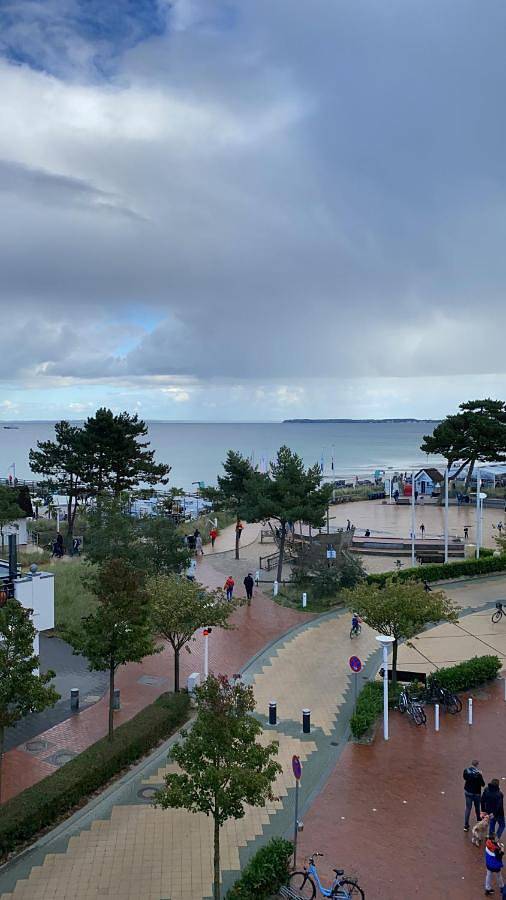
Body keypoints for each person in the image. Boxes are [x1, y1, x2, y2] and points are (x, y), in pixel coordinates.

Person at [464, 759, 486, 832]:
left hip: (468, 791)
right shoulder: (478, 774)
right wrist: (481, 775)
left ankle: (466, 825)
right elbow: (483, 784)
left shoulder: (466, 771)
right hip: (476, 793)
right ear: (477, 765)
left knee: (468, 808)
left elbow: (465, 778)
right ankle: (478, 819)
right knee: (477, 807)